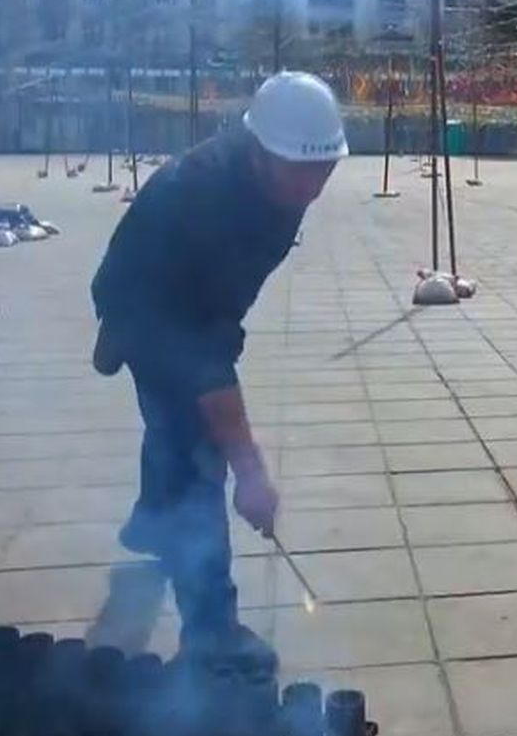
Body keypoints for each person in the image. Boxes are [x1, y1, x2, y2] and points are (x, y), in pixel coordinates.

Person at [90, 71, 347, 655]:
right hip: (146, 307)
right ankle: (212, 630)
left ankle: (152, 528)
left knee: (173, 438)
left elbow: (221, 318)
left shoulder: (280, 182)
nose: (314, 186)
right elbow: (206, 358)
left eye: (324, 170)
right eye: (303, 170)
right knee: (202, 462)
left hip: (192, 309)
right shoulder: (206, 204)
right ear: (261, 153)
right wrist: (250, 471)